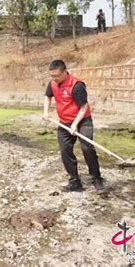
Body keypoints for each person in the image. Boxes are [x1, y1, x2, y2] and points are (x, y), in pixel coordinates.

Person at [43, 59, 106, 194]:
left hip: (83, 121)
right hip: (64, 122)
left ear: (65, 72)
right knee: (65, 150)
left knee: (87, 148)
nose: (54, 78)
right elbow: (47, 97)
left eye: (57, 76)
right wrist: (46, 112)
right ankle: (74, 181)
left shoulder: (76, 85)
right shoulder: (53, 83)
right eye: (52, 76)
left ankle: (96, 179)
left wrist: (75, 124)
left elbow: (84, 107)